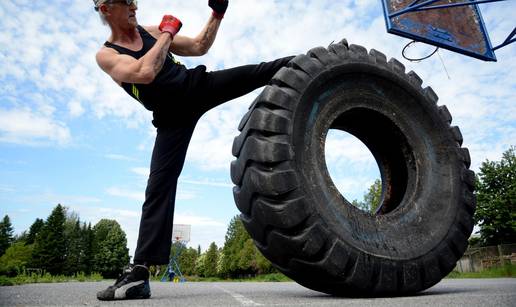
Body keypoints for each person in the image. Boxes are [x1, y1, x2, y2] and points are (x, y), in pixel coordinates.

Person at [92, 0, 294, 301]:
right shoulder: (107, 54)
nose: (134, 4)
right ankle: (139, 274)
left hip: (195, 86)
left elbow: (200, 46)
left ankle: (322, 59)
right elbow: (144, 71)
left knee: (259, 72)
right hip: (170, 118)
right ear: (106, 8)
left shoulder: (150, 31)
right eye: (126, 0)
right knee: (158, 187)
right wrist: (167, 34)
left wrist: (217, 14)